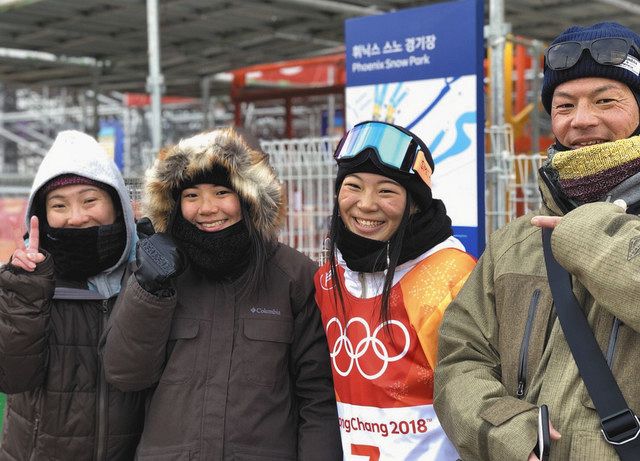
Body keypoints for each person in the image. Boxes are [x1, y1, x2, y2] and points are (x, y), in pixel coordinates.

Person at [434, 22, 640, 460]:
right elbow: (459, 358)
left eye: (607, 100)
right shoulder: (516, 242)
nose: (582, 119)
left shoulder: (565, 232)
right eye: (564, 105)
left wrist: (585, 231)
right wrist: (508, 431)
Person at [101, 127, 342, 460]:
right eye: (191, 195)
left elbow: (318, 399)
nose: (206, 208)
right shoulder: (157, 271)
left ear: (249, 197)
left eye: (220, 192)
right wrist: (149, 288)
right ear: (174, 203)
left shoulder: (294, 276)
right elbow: (124, 373)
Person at [314, 120, 476, 459]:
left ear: (414, 204)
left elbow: (479, 394)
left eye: (387, 191)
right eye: (353, 186)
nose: (366, 204)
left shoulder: (449, 274)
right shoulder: (329, 277)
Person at [0, 130, 145, 459]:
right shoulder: (25, 280)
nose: (76, 217)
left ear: (117, 204)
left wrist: (151, 282)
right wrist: (24, 291)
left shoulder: (145, 277)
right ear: (42, 215)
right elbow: (12, 376)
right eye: (59, 205)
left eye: (90, 200)